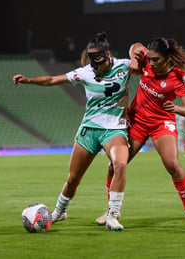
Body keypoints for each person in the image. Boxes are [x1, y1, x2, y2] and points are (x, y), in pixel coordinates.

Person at [13, 32, 137, 231]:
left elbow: (144, 60)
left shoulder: (124, 66)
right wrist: (28, 80)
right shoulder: (85, 72)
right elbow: (52, 80)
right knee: (72, 179)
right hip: (89, 129)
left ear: (108, 54)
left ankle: (113, 216)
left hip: (115, 129)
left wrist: (137, 48)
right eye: (92, 60)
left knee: (120, 164)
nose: (95, 65)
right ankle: (59, 212)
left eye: (99, 60)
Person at [96, 37, 185, 225]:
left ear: (168, 58)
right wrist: (134, 57)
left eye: (156, 60)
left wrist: (175, 108)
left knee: (171, 163)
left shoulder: (178, 77)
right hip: (137, 120)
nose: (151, 63)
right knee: (114, 166)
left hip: (162, 122)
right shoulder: (147, 59)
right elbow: (135, 46)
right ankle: (111, 210)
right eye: (150, 59)